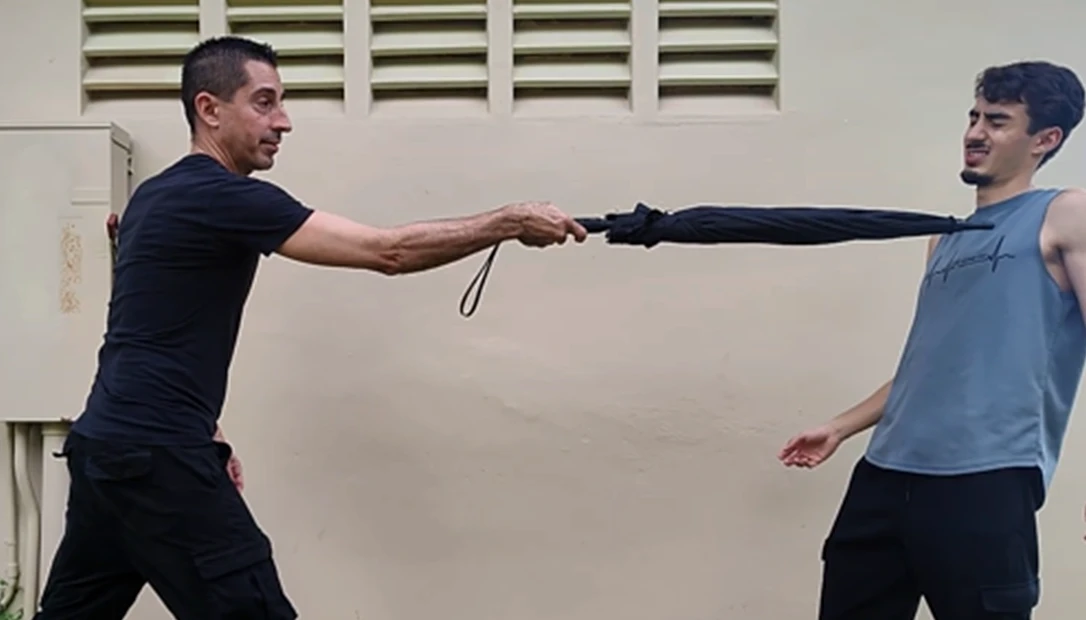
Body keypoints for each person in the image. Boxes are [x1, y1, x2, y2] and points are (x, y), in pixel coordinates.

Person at [33, 35, 587, 620]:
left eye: (282, 102)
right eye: (264, 102)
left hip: (103, 449)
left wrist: (208, 431)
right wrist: (508, 221)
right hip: (159, 457)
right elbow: (389, 251)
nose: (284, 121)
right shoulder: (225, 197)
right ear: (209, 109)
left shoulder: (153, 197)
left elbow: (152, 324)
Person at [777, 60, 1086, 619]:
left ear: (1046, 139)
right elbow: (930, 365)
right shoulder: (944, 240)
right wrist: (841, 427)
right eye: (973, 117)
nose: (975, 132)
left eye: (997, 121)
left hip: (985, 479)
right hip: (884, 474)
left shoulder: (1064, 214)